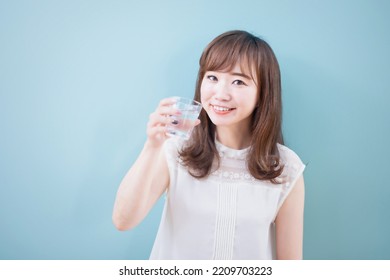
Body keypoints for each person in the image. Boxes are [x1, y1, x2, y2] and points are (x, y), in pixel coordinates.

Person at [112, 30, 305, 260]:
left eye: (238, 81)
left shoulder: (285, 168)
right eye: (212, 77)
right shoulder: (177, 149)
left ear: (263, 93)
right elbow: (123, 221)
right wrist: (152, 146)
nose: (220, 94)